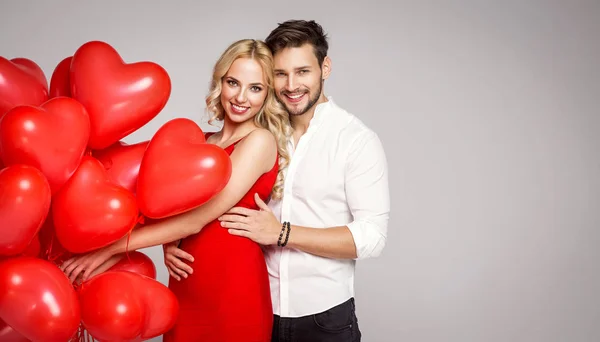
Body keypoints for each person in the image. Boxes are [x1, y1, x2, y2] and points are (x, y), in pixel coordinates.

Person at [166, 20, 390, 342]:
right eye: (281, 74)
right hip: (258, 306)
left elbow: (372, 237)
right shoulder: (263, 130)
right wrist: (171, 241)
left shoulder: (354, 139)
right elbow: (201, 202)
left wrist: (282, 233)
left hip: (322, 316)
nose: (292, 85)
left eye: (303, 72)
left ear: (325, 68)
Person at [60, 38, 292, 341]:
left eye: (255, 88)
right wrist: (169, 244)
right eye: (233, 82)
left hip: (234, 287)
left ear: (267, 95)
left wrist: (112, 248)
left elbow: (199, 217)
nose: (241, 97)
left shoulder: (260, 141)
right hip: (186, 283)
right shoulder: (200, 142)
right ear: (219, 82)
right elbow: (164, 207)